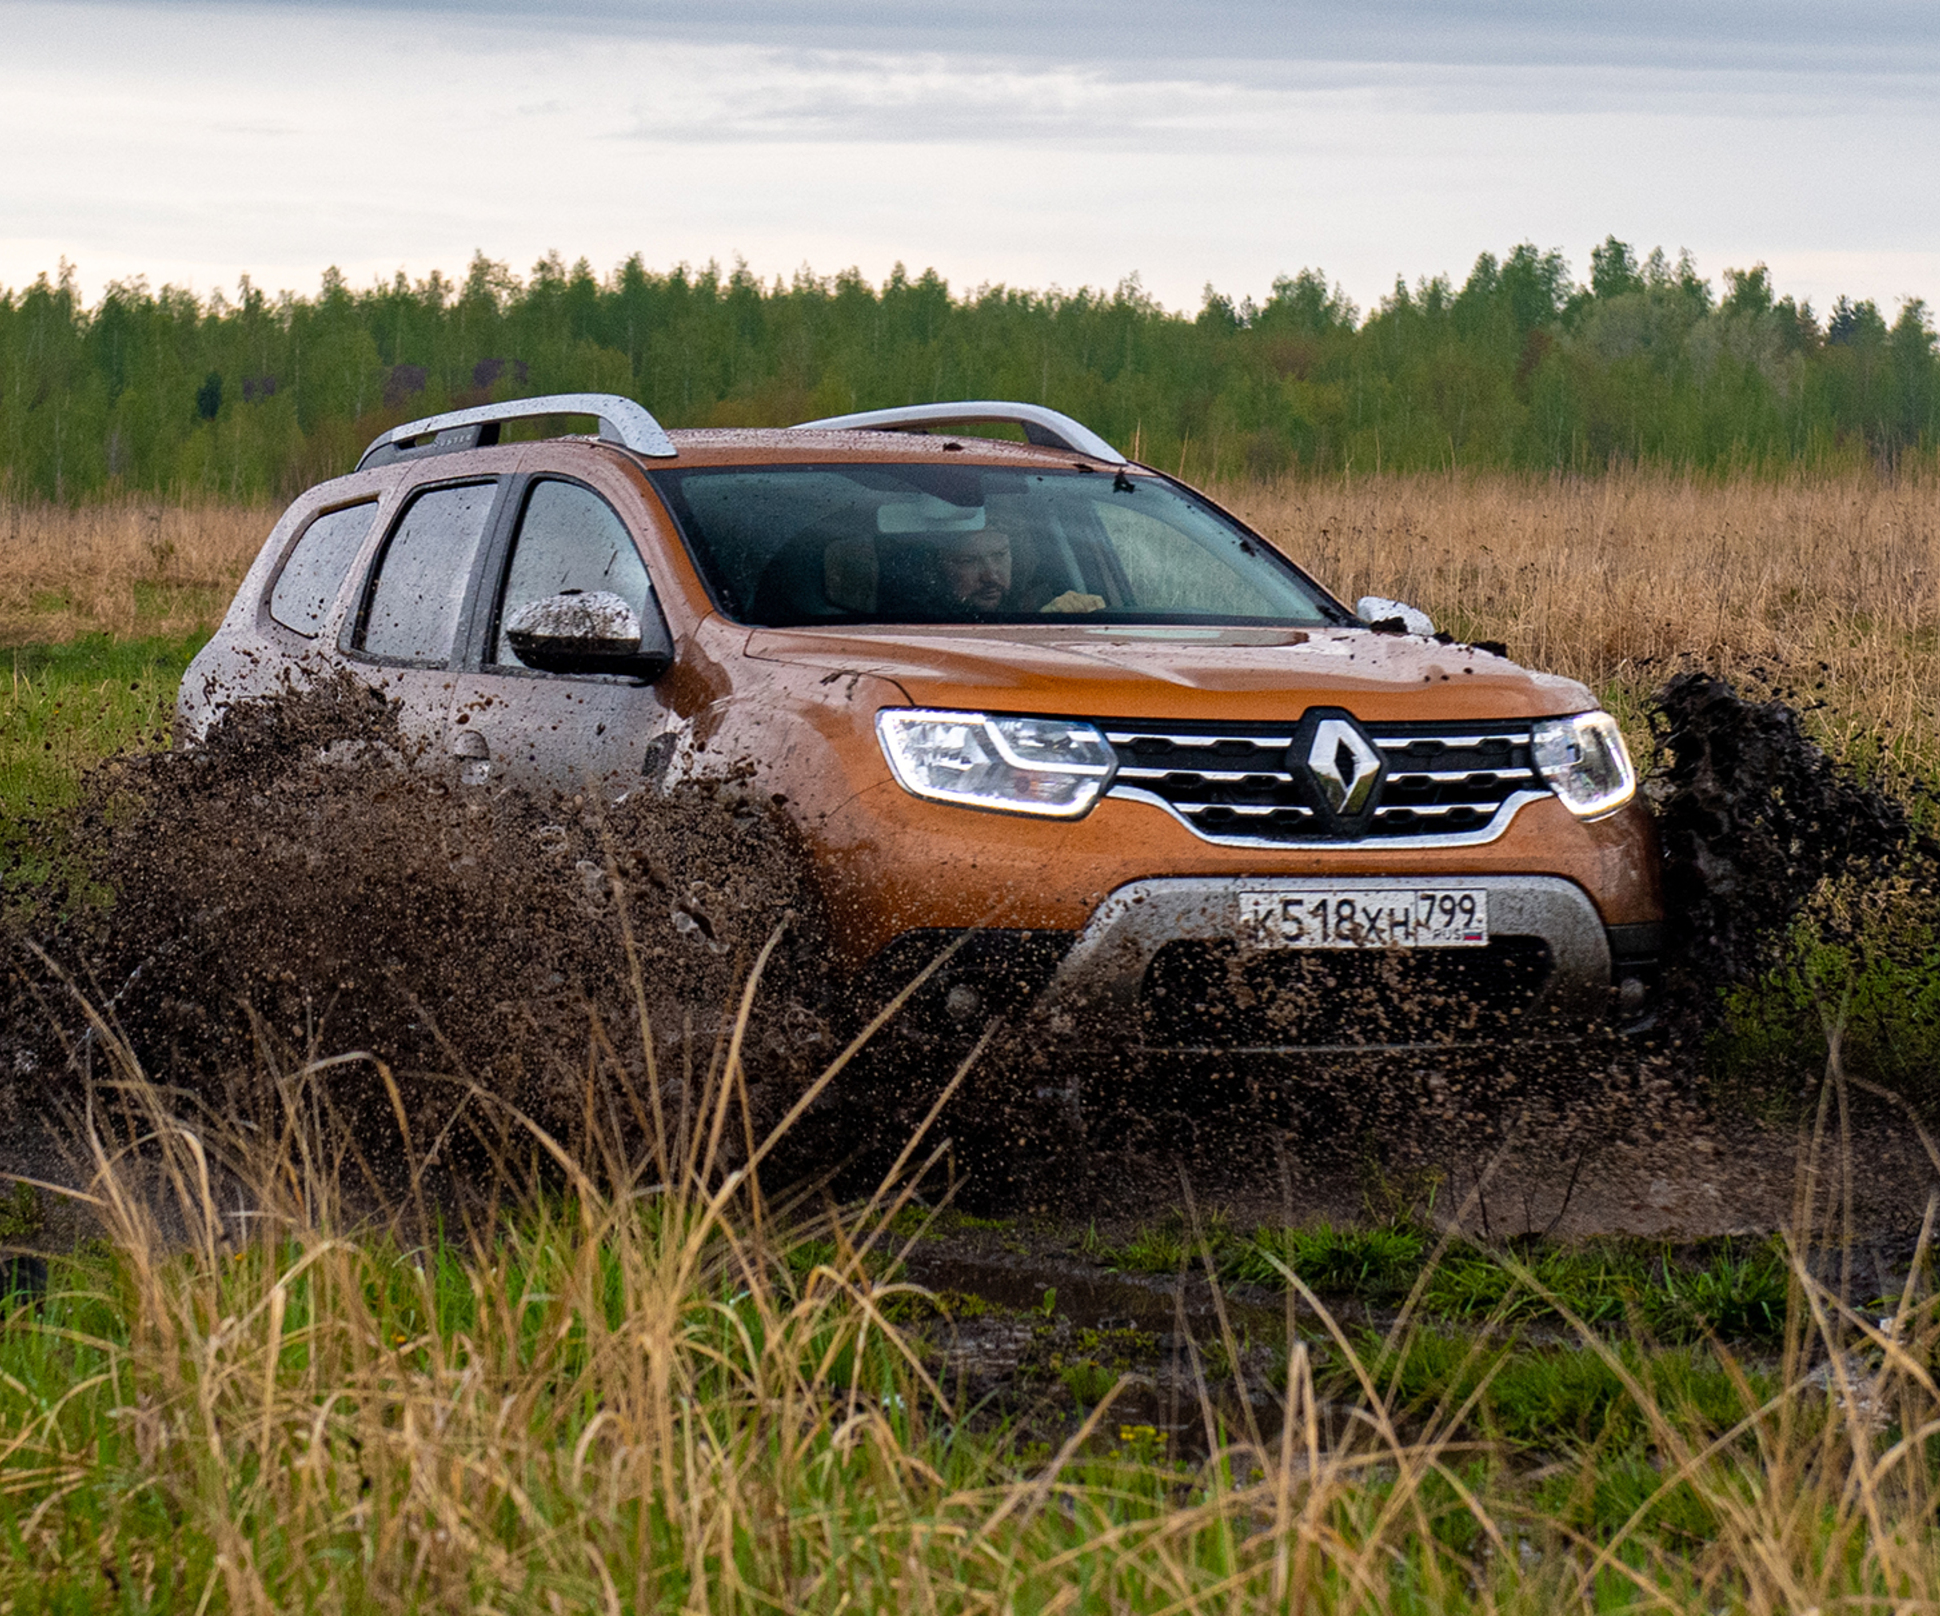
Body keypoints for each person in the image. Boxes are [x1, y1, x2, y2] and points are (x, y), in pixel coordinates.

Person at [885, 525, 1105, 618]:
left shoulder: (1045, 603)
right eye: (968, 561)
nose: (991, 576)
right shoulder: (906, 624)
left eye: (1000, 556)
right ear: (936, 568)